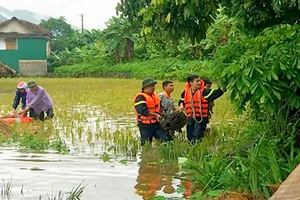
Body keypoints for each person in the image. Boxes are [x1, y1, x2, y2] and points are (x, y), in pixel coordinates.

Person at [178, 74, 224, 144]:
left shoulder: (205, 92)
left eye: (200, 81)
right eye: (197, 81)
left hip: (201, 118)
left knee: (197, 137)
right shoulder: (185, 92)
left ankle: (197, 150)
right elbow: (181, 100)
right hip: (190, 118)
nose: (199, 83)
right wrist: (181, 105)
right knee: (189, 137)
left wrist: (223, 86)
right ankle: (192, 151)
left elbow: (217, 93)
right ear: (191, 83)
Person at [133, 78, 172, 145]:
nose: (153, 88)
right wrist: (155, 115)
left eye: (153, 86)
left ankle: (165, 153)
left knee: (166, 140)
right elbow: (143, 111)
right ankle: (146, 155)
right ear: (145, 87)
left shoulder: (155, 96)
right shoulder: (140, 97)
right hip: (144, 125)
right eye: (151, 86)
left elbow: (160, 107)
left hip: (156, 123)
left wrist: (163, 113)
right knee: (146, 144)